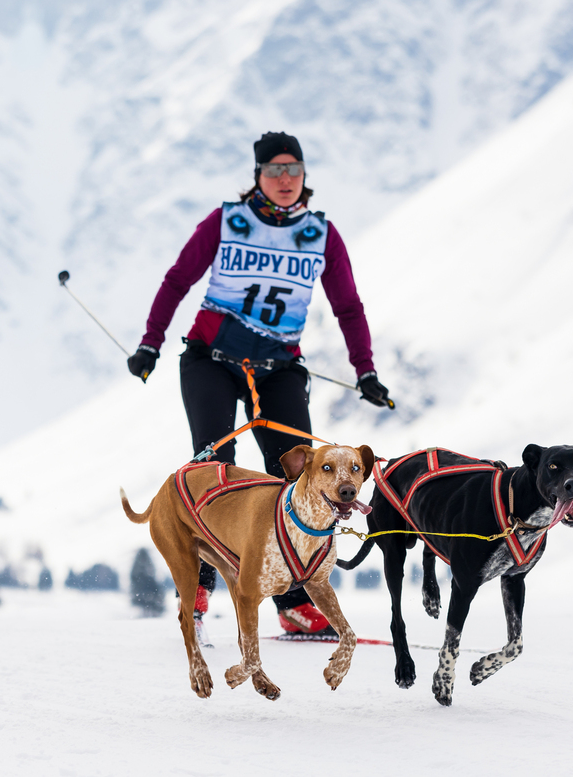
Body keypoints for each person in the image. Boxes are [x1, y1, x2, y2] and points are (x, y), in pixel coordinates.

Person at [127, 131, 391, 640]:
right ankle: (198, 590)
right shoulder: (227, 220)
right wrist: (150, 343)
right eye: (274, 170)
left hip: (279, 366)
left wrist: (366, 371)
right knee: (213, 468)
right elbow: (178, 280)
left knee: (295, 472)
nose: (285, 179)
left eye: (294, 169)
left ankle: (293, 603)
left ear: (304, 175)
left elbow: (347, 306)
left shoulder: (320, 233)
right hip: (210, 359)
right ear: (258, 175)